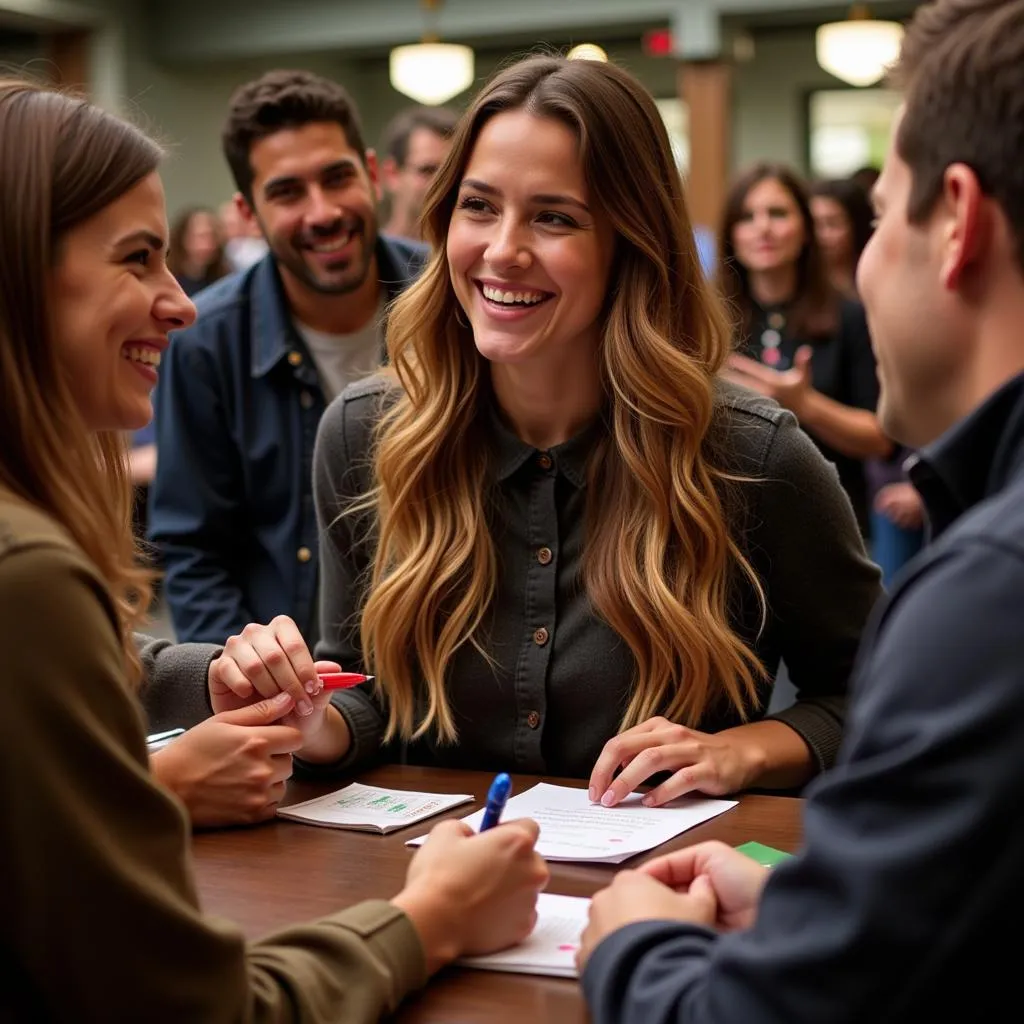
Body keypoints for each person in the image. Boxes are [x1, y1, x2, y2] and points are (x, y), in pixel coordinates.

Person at [0, 77, 548, 1021]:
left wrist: (202, 687)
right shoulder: (33, 577)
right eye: (138, 259)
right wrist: (432, 918)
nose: (178, 304)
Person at [224, 55, 880, 805]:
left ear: (630, 243)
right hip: (436, 892)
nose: (502, 249)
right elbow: (367, 689)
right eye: (478, 206)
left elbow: (872, 696)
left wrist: (739, 753)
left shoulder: (750, 456)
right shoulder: (367, 434)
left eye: (554, 216)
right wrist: (310, 719)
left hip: (662, 899)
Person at [578, 2, 1024, 1020]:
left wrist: (636, 950)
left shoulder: (989, 593)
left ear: (956, 222)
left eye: (876, 216)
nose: (865, 258)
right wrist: (812, 899)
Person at [149, 70, 428, 644]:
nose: (322, 212)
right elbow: (195, 550)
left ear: (373, 175)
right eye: (287, 192)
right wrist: (250, 690)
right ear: (248, 213)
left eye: (337, 177)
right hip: (296, 688)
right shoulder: (206, 345)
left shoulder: (447, 298)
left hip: (447, 671)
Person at [719, 163, 893, 533]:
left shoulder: (849, 316)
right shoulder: (708, 322)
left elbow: (880, 437)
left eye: (778, 213)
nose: (763, 227)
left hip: (831, 526)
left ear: (805, 231)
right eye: (748, 216)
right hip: (733, 529)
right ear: (731, 234)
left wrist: (806, 406)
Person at [379, 104, 459, 241]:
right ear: (392, 174)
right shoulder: (369, 258)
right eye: (428, 170)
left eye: (452, 172)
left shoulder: (465, 259)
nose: (443, 184)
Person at [809, 176, 875, 296]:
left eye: (833, 224)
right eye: (814, 223)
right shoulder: (800, 286)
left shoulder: (876, 279)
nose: (822, 235)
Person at [166, 205, 230, 296]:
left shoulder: (223, 276)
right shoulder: (169, 277)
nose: (208, 243)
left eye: (212, 236)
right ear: (183, 238)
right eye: (201, 236)